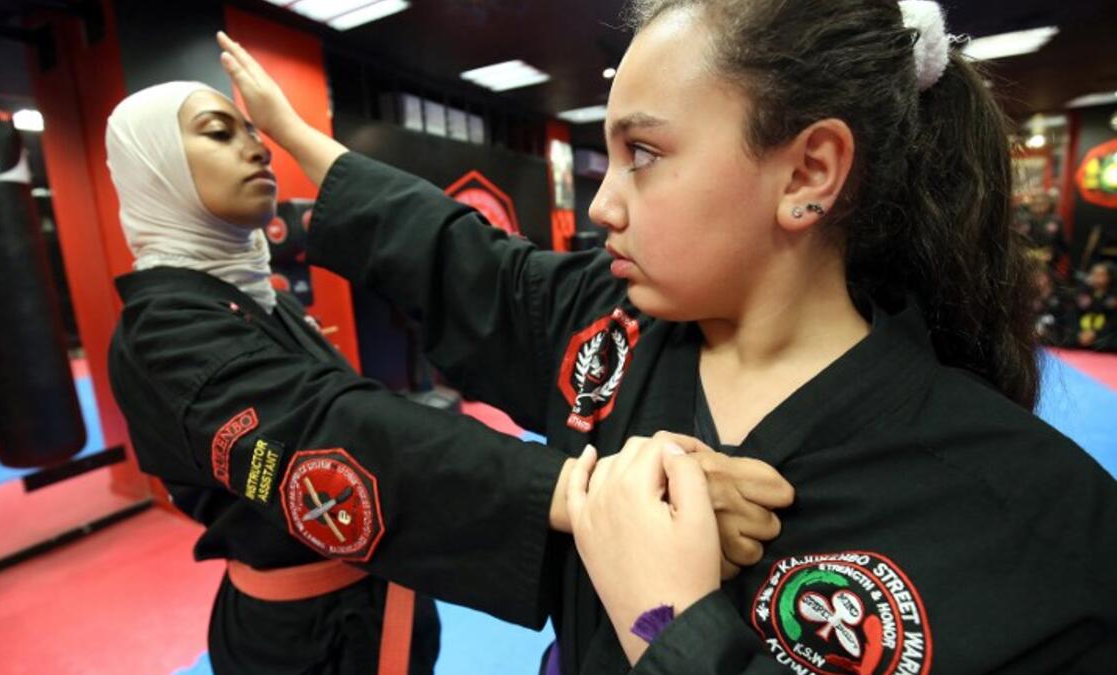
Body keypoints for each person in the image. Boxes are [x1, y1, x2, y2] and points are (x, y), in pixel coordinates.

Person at [214, 0, 1117, 671]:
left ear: (808, 172)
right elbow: (451, 254)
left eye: (643, 154)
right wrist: (296, 135)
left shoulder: (1036, 524)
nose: (604, 202)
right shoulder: (605, 327)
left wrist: (669, 618)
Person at [104, 79, 792, 673]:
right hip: (295, 639)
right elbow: (331, 426)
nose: (254, 147)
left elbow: (480, 272)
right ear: (153, 166)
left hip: (379, 595)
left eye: (255, 131)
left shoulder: (256, 298)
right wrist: (602, 494)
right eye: (219, 132)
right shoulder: (160, 333)